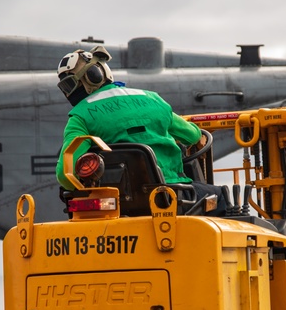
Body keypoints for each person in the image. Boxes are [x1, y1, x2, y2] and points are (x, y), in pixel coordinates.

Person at [54, 46, 228, 213]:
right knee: (222, 197)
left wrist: (85, 191)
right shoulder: (153, 100)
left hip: (116, 205)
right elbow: (194, 136)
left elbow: (65, 174)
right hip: (175, 196)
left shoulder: (79, 117)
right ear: (98, 73)